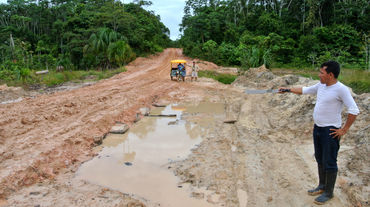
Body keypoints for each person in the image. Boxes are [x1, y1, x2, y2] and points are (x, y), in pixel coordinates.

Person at [279, 60, 359, 205]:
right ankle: (322, 186)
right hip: (318, 129)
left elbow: (354, 110)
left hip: (330, 131)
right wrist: (288, 90)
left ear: (330, 74)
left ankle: (329, 192)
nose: (319, 74)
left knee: (330, 161)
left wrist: (344, 129)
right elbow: (304, 90)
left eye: (321, 72)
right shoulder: (321, 85)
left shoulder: (341, 89)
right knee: (320, 158)